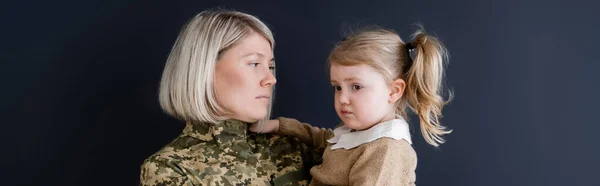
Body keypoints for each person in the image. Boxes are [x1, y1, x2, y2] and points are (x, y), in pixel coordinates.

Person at [252, 25, 453, 185]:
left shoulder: (386, 151)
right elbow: (329, 141)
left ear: (393, 91)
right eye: (337, 87)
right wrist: (281, 125)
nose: (343, 98)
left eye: (356, 87)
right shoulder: (359, 130)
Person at [140, 9, 320, 186]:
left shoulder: (293, 146)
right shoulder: (170, 168)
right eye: (254, 63)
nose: (271, 79)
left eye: (270, 67)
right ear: (205, 69)